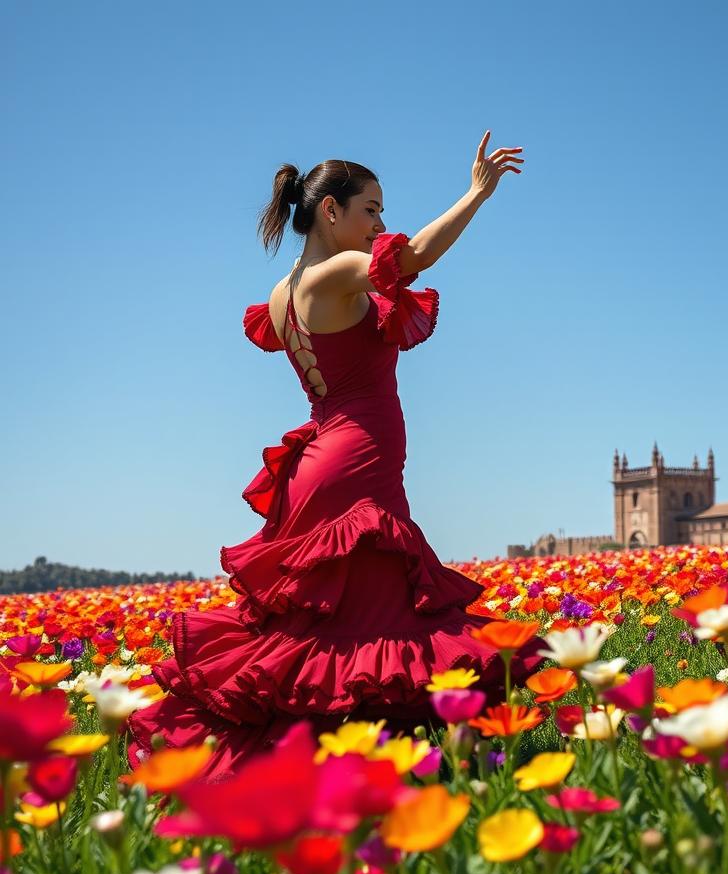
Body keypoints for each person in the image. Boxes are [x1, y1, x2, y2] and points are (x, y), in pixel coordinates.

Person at [127, 132, 550, 779]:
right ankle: (370, 772)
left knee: (332, 631)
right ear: (331, 211)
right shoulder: (335, 274)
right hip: (356, 464)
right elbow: (415, 257)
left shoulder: (282, 294)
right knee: (375, 627)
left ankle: (319, 770)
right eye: (371, 210)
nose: (381, 223)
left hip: (321, 460)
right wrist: (476, 193)